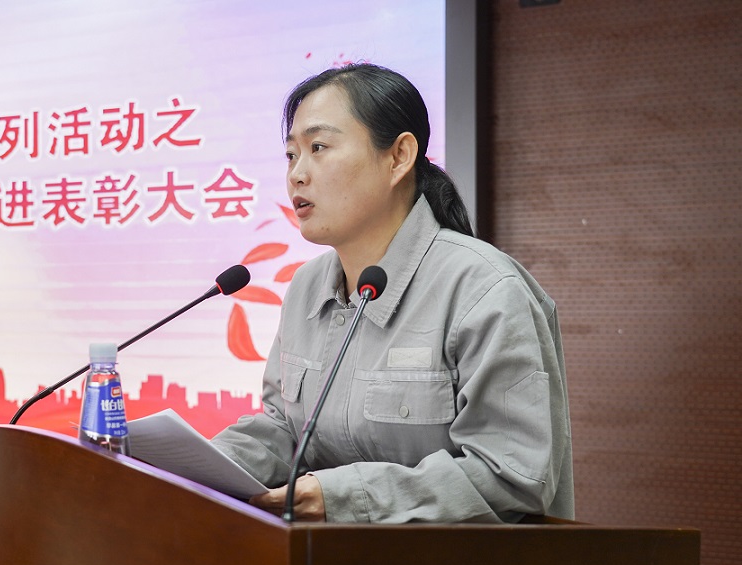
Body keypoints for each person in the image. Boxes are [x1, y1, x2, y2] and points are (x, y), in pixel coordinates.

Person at [211, 64, 573, 523]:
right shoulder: (306, 287)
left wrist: (343, 497)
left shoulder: (484, 289)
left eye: (318, 148)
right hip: (324, 562)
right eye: (291, 154)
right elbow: (284, 429)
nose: (297, 175)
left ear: (399, 157)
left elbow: (512, 478)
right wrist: (191, 464)